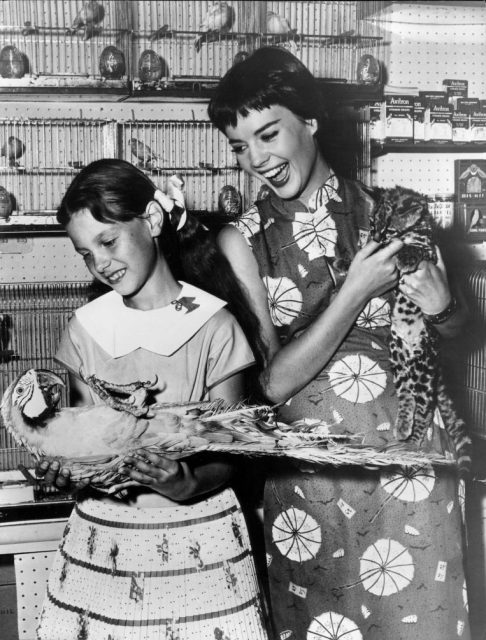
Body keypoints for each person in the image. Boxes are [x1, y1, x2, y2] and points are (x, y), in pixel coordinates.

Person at [208, 47, 471, 640]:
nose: (257, 159)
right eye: (241, 146)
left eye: (269, 134)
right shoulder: (241, 241)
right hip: (310, 486)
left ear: (312, 121)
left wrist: (444, 308)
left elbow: (448, 341)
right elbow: (271, 383)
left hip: (411, 473)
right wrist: (354, 290)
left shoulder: (392, 212)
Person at [35, 159, 269, 640]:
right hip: (106, 539)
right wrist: (65, 465)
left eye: (108, 241)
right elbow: (81, 436)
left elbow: (229, 452)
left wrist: (186, 482)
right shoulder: (87, 328)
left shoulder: (213, 326)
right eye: (86, 253)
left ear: (153, 221)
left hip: (198, 541)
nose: (100, 263)